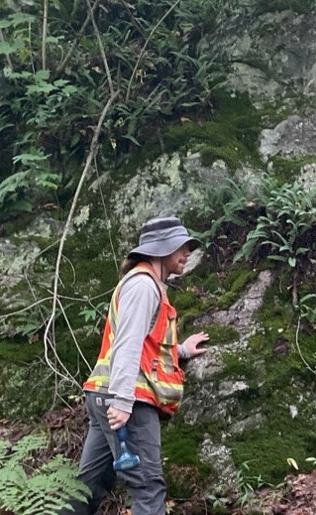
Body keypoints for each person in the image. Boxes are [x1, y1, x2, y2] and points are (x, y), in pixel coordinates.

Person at [63, 216, 210, 515]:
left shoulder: (145, 284)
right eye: (181, 246)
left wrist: (182, 349)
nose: (187, 252)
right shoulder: (143, 286)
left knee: (87, 488)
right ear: (161, 249)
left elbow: (145, 343)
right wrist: (122, 401)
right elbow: (128, 344)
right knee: (147, 487)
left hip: (104, 394)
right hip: (128, 400)